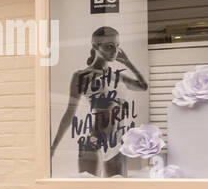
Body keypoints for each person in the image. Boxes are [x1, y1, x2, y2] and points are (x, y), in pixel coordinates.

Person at [50, 26, 148, 177]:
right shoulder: (82, 76)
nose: (114, 51)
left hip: (117, 142)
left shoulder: (117, 76)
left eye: (117, 46)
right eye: (109, 46)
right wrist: (53, 146)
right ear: (96, 46)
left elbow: (143, 86)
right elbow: (70, 112)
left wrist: (127, 63)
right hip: (95, 141)